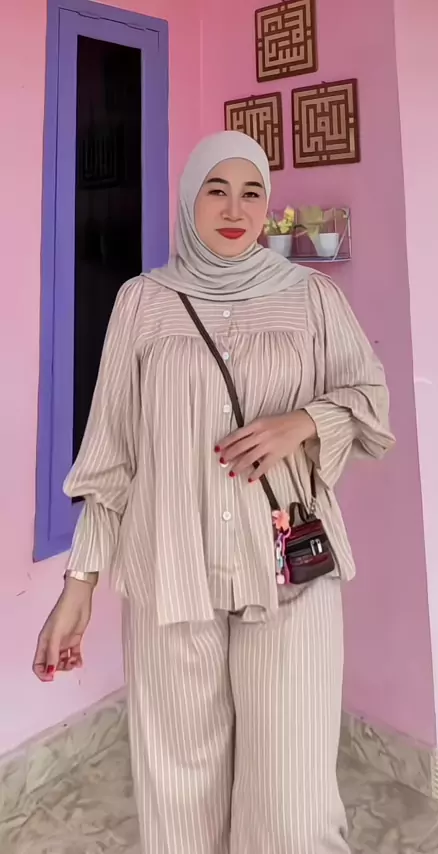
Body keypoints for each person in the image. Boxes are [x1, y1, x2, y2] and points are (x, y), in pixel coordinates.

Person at [33, 131, 395, 854]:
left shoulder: (311, 298)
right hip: (171, 573)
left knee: (292, 807)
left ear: (268, 205)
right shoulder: (143, 303)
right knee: (178, 796)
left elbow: (371, 404)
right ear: (188, 200)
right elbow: (111, 455)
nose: (235, 210)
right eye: (217, 191)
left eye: (252, 192)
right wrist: (79, 586)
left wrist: (304, 422)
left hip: (289, 573)